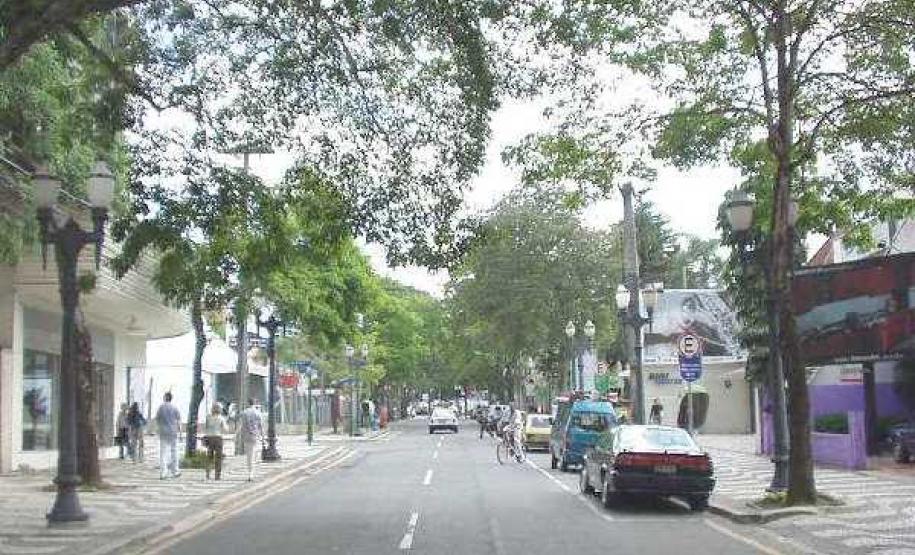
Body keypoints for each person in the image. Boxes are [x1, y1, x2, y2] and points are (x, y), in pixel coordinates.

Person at [155, 392, 182, 479]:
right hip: (173, 432)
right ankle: (175, 471)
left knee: (163, 453)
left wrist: (158, 429)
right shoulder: (175, 408)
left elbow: (157, 419)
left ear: (165, 397)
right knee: (174, 452)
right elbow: (178, 421)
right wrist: (180, 432)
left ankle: (163, 473)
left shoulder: (161, 407)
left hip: (163, 432)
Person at [238, 398, 265, 481]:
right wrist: (263, 436)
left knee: (249, 455)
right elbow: (261, 426)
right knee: (253, 454)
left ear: (248, 403)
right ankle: (251, 473)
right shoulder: (258, 413)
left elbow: (241, 424)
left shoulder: (244, 413)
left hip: (246, 436)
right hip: (255, 435)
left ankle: (250, 473)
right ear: (255, 403)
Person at [204, 402, 228, 480]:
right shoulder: (221, 418)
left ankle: (208, 474)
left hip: (209, 438)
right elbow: (225, 429)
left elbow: (206, 427)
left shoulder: (208, 417)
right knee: (218, 457)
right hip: (218, 438)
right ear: (220, 409)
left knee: (209, 456)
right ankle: (217, 476)